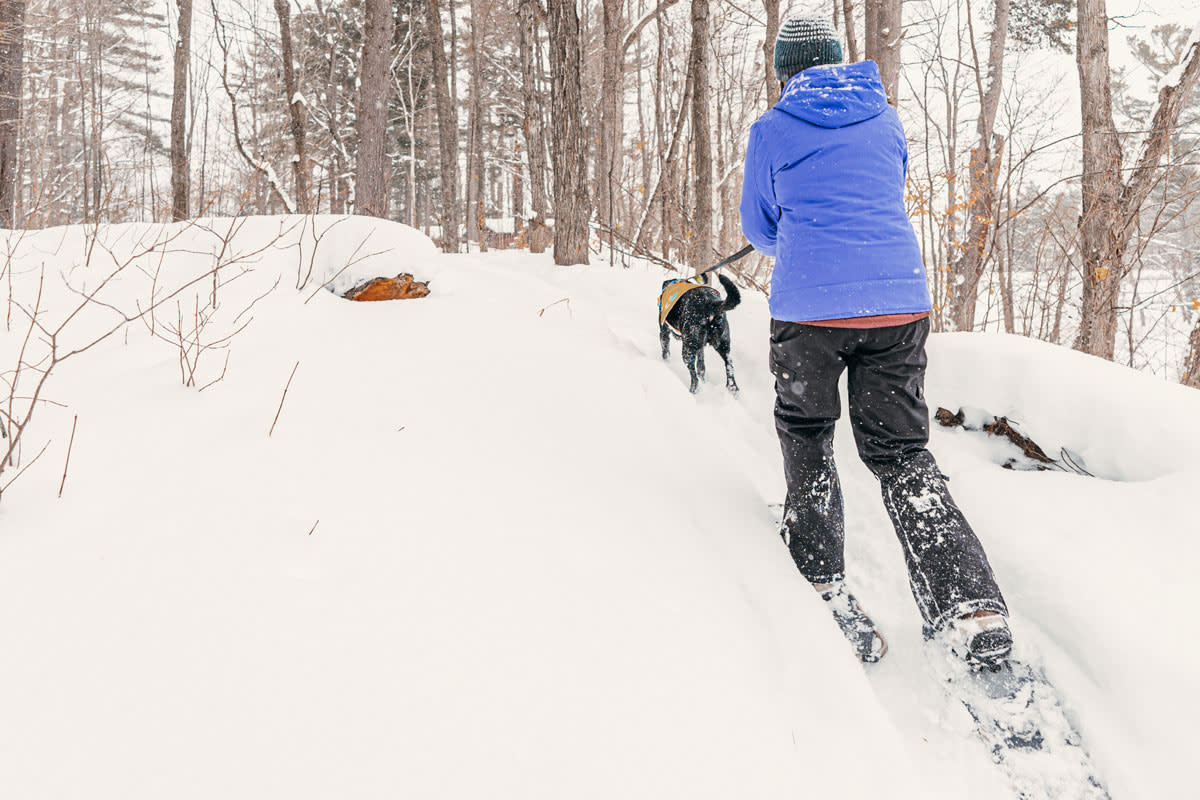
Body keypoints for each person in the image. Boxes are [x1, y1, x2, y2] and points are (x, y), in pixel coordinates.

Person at [739, 16, 1012, 665]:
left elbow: (759, 225)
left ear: (786, 69)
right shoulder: (884, 119)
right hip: (896, 304)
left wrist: (800, 247)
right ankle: (970, 606)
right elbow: (881, 193)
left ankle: (822, 580)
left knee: (807, 433)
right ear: (837, 60)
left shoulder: (772, 130)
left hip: (810, 312)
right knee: (901, 453)